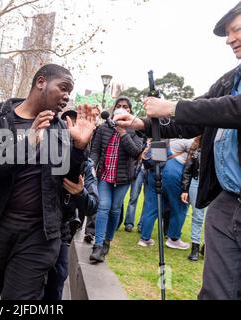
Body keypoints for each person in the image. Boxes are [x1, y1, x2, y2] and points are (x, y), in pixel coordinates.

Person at [114, 2, 241, 300]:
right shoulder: (227, 81)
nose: (228, 39)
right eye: (227, 33)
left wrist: (173, 106)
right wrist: (141, 122)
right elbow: (188, 122)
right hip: (226, 203)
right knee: (215, 292)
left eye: (235, 29)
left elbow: (232, 109)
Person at [0, 64, 96, 300]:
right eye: (63, 88)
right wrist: (29, 142)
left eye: (70, 91)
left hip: (39, 236)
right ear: (41, 82)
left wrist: (79, 148)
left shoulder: (60, 130)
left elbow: (70, 180)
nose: (67, 96)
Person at [43, 109, 99, 301]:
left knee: (57, 278)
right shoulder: (44, 155)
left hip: (62, 230)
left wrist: (79, 193)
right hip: (34, 229)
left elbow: (92, 206)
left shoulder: (87, 165)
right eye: (70, 129)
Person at [89, 97, 143, 263]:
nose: (121, 109)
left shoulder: (136, 131)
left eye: (125, 107)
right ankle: (98, 245)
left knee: (114, 209)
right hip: (104, 175)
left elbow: (136, 152)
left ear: (130, 111)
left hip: (123, 178)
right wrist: (92, 166)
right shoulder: (104, 128)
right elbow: (95, 150)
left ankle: (107, 240)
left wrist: (123, 133)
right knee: (103, 206)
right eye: (118, 106)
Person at [181, 136, 206, 261]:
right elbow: (188, 170)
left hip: (212, 185)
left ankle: (206, 247)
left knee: (211, 217)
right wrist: (185, 189)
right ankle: (195, 248)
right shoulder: (196, 149)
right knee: (198, 216)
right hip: (196, 183)